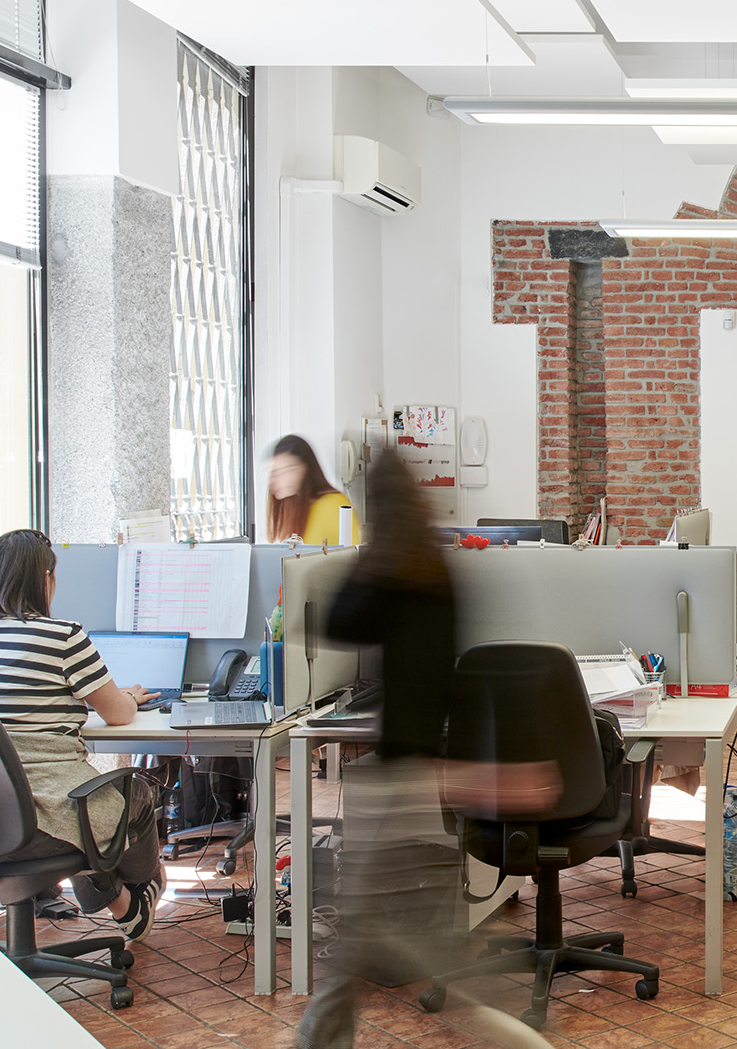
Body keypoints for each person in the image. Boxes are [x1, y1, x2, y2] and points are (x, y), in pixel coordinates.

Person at [298, 447, 476, 1049]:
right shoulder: (435, 569)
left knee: (356, 930)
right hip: (430, 761)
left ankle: (320, 1040)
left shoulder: (387, 572)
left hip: (397, 768)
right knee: (373, 921)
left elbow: (339, 624)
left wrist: (363, 561)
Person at [0, 528, 165, 935]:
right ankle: (132, 899)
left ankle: (103, 895)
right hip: (31, 821)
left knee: (86, 809)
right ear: (45, 580)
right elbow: (120, 715)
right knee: (132, 795)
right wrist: (125, 696)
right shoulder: (61, 636)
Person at [267, 433, 358, 545]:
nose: (274, 479)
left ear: (304, 469)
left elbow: (352, 554)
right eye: (274, 471)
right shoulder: (295, 506)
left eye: (285, 470)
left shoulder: (332, 504)